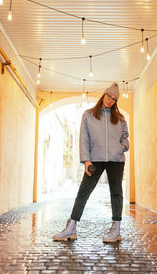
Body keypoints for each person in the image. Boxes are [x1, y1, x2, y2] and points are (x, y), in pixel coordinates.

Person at [53, 82, 129, 243]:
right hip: (95, 159)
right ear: (104, 95)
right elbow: (84, 139)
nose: (110, 100)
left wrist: (122, 147)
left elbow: (125, 137)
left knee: (116, 193)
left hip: (116, 160)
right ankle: (71, 227)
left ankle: (116, 229)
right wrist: (86, 160)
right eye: (109, 96)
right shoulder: (88, 115)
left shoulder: (120, 119)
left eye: (114, 99)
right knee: (83, 192)